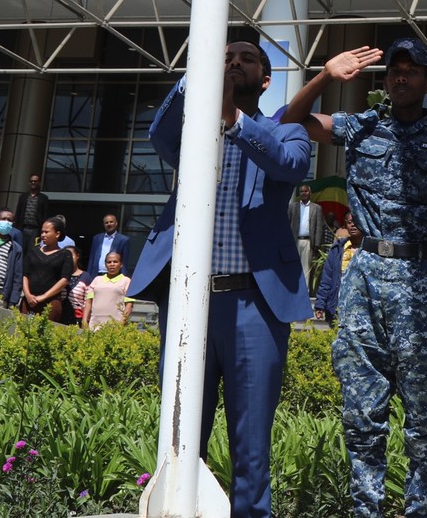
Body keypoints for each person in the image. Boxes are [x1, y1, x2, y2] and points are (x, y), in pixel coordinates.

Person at [283, 38, 427, 518]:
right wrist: (326, 76)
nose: (401, 76)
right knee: (361, 413)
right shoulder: (361, 128)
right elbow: (288, 123)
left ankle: (421, 511)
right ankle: (366, 510)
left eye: (412, 70)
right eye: (395, 69)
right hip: (366, 279)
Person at [130, 38, 311, 518]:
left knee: (251, 445)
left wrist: (234, 120)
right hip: (188, 303)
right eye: (226, 56)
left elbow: (289, 164)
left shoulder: (285, 130)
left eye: (246, 59)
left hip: (254, 305)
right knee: (182, 434)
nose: (234, 62)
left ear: (266, 80)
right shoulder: (191, 131)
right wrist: (199, 75)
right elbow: (158, 135)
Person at [19, 220, 74, 319]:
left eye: (47, 232)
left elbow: (65, 280)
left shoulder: (65, 255)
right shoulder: (33, 251)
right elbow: (25, 275)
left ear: (57, 234)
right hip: (29, 301)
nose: (43, 235)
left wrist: (43, 297)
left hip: (51, 303)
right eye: (42, 232)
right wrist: (27, 295)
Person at [312, 218, 361, 324]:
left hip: (361, 310)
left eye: (356, 222)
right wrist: (320, 304)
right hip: (337, 306)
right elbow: (327, 278)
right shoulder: (337, 249)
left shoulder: (369, 250)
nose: (352, 225)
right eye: (349, 222)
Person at [83, 250, 133, 328]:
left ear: (121, 264)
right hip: (94, 325)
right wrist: (84, 320)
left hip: (115, 326)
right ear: (105, 264)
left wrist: (121, 323)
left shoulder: (126, 281)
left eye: (115, 262)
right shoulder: (97, 280)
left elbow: (129, 305)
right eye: (109, 262)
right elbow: (88, 302)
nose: (112, 264)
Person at [293, 183, 327, 283]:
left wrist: (316, 245)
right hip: (295, 241)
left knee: (306, 268)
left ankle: (305, 292)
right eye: (301, 191)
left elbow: (319, 227)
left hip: (308, 242)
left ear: (310, 193)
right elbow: (288, 224)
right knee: (293, 267)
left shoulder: (316, 208)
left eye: (306, 191)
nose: (304, 193)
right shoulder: (292, 207)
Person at [85, 212, 129, 284]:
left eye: (111, 222)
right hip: (96, 274)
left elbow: (124, 260)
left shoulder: (123, 240)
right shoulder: (97, 238)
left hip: (114, 275)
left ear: (116, 223)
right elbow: (92, 258)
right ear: (104, 225)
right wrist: (88, 275)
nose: (109, 224)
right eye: (106, 222)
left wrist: (123, 277)